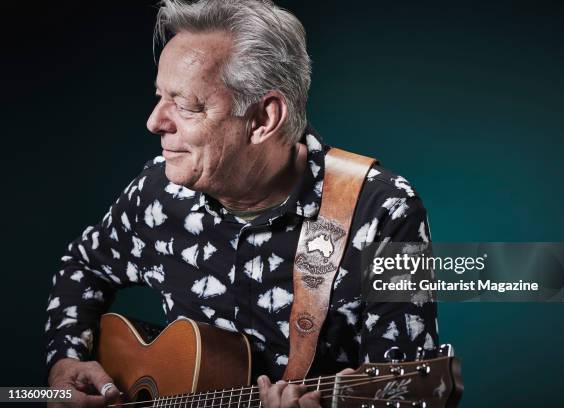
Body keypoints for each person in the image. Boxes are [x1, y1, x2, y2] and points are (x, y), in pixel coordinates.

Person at [45, 1, 438, 407]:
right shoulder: (157, 192)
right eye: (160, 96)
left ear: (263, 119)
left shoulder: (381, 211)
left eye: (185, 105)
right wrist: (65, 360)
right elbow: (84, 266)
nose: (154, 121)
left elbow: (406, 394)